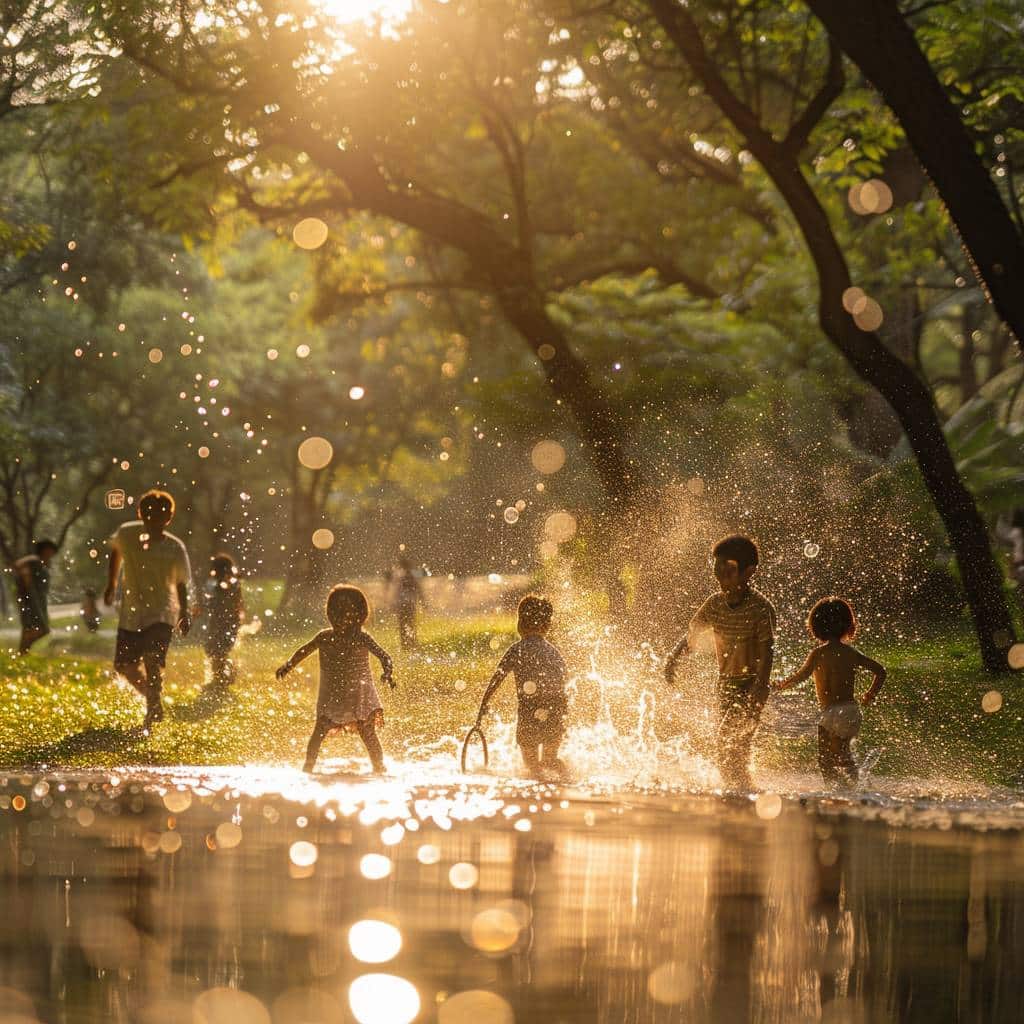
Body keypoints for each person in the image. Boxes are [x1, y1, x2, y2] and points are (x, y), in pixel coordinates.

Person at [664, 534, 776, 791]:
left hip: (751, 685)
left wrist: (760, 685)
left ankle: (741, 789)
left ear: (749, 572)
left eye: (729, 570)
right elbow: (693, 634)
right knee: (728, 742)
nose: (721, 576)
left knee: (733, 740)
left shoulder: (760, 608)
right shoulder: (715, 604)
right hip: (725, 683)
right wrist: (674, 658)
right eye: (717, 569)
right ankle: (740, 788)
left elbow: (767, 649)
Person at [276, 584, 395, 774]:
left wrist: (387, 672)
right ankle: (307, 768)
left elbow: (384, 656)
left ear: (359, 615)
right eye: (336, 612)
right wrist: (289, 665)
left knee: (368, 734)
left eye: (347, 613)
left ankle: (380, 767)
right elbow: (304, 651)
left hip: (359, 696)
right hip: (332, 696)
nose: (341, 618)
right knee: (319, 733)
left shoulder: (362, 638)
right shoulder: (324, 637)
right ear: (329, 614)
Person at [773, 596, 885, 785]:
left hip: (832, 713)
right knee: (843, 755)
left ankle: (839, 789)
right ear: (848, 625)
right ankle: (852, 787)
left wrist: (782, 684)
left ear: (815, 626)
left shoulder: (818, 653)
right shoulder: (851, 653)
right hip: (849, 710)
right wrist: (870, 694)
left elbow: (801, 676)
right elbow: (880, 672)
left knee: (826, 758)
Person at [104, 489, 192, 728]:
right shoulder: (128, 533)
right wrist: (111, 584)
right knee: (123, 666)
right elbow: (116, 552)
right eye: (149, 516)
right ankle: (153, 700)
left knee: (153, 659)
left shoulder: (175, 547)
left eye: (159, 517)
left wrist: (184, 611)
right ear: (140, 514)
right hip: (132, 613)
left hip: (163, 612)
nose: (153, 522)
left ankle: (152, 709)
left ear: (169, 519)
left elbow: (181, 582)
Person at [475, 594, 568, 777]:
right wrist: (562, 713)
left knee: (531, 766)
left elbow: (497, 678)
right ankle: (567, 777)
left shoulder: (517, 650)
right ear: (547, 626)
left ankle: (539, 786)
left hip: (528, 710)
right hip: (555, 707)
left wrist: (484, 704)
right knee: (550, 759)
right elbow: (565, 682)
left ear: (520, 624)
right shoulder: (553, 652)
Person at [199, 553, 245, 687]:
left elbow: (217, 602)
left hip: (222, 622)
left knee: (216, 651)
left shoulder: (223, 584)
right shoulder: (233, 583)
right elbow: (239, 604)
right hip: (228, 622)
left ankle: (221, 677)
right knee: (218, 651)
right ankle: (222, 677)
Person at [13, 539, 58, 654]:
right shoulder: (34, 560)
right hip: (31, 598)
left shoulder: (43, 563)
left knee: (31, 627)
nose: (51, 553)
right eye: (49, 550)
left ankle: (22, 652)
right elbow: (17, 565)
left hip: (39, 599)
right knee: (41, 628)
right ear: (44, 550)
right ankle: (23, 650)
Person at [394, 557, 424, 650]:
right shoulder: (410, 577)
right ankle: (411, 643)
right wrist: (423, 602)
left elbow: (399, 592)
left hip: (404, 604)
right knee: (410, 623)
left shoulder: (403, 577)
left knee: (405, 624)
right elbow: (418, 590)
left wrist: (395, 604)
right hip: (409, 604)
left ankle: (407, 644)